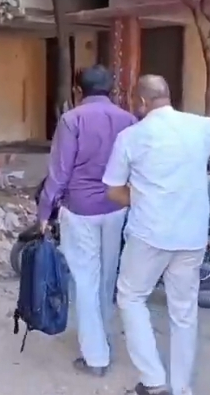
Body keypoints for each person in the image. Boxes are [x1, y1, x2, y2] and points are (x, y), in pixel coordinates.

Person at [102, 75, 210, 395]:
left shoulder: (131, 136)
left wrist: (142, 198)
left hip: (149, 235)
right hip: (191, 236)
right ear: (168, 95)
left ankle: (152, 379)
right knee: (184, 313)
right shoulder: (200, 126)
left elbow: (113, 191)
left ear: (141, 102)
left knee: (131, 296)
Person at [38, 65, 138, 378]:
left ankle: (95, 356)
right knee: (108, 277)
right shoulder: (128, 120)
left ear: (78, 91)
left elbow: (59, 171)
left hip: (80, 208)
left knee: (84, 279)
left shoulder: (72, 119)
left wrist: (44, 212)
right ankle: (103, 338)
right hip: (117, 206)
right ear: (112, 90)